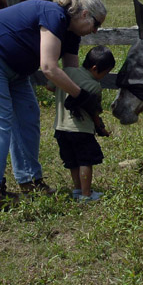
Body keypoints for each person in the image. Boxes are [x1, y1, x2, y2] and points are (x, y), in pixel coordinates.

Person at [0, 0, 106, 213]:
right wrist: (80, 96)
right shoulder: (54, 14)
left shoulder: (71, 35)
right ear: (85, 14)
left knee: (28, 116)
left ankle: (30, 181)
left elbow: (71, 74)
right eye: (96, 24)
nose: (95, 31)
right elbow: (48, 68)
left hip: (15, 68)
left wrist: (86, 105)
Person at [48, 45, 114, 202]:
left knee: (72, 161)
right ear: (95, 68)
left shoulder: (68, 72)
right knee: (85, 161)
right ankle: (86, 195)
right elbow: (94, 112)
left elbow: (50, 86)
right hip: (81, 131)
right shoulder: (95, 87)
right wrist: (101, 128)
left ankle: (77, 190)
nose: (104, 77)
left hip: (61, 128)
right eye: (105, 73)